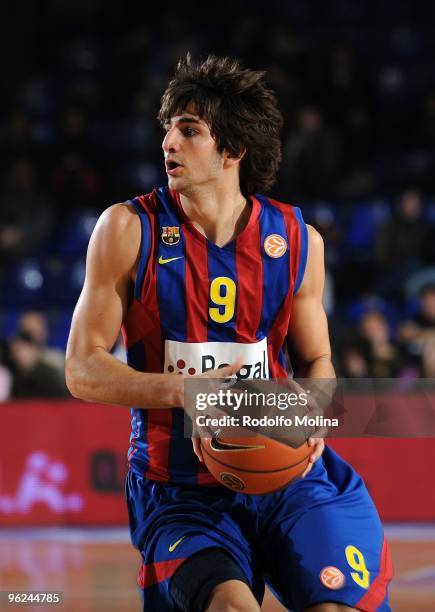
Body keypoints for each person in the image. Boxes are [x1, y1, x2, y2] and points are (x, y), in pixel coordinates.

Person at [66, 55, 392, 612]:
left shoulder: (296, 240)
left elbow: (318, 361)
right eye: (167, 127)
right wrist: (185, 392)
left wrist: (310, 414)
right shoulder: (127, 229)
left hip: (289, 477)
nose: (168, 141)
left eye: (189, 130)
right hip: (179, 490)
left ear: (233, 150)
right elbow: (81, 368)